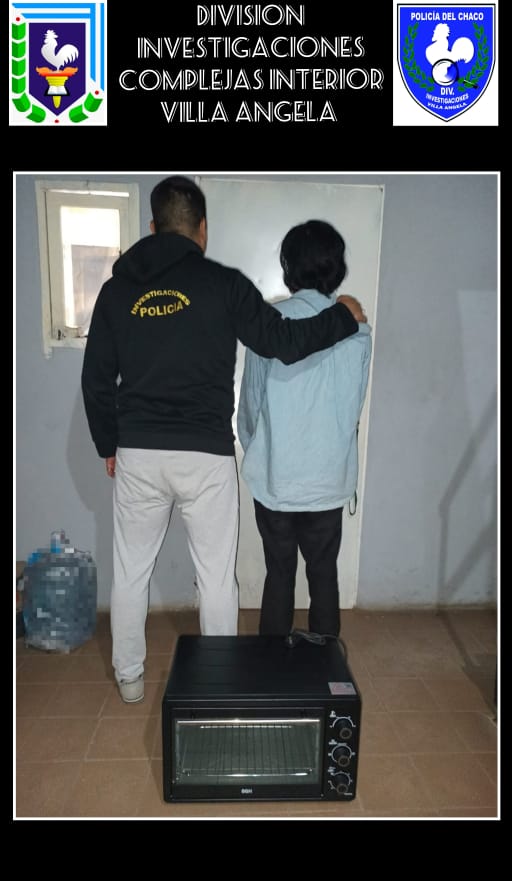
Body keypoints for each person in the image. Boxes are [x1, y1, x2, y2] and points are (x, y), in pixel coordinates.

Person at [81, 176, 367, 704]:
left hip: (139, 450)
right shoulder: (224, 284)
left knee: (130, 571)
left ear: (153, 226)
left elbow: (96, 378)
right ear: (203, 230)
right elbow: (284, 342)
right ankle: (218, 682)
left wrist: (107, 445)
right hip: (205, 455)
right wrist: (342, 318)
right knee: (215, 577)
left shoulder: (116, 291)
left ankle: (130, 677)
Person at [237, 219, 372, 638]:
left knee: (278, 573)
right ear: (337, 268)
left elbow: (250, 405)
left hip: (276, 478)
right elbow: (353, 406)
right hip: (328, 480)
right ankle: (326, 663)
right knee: (324, 574)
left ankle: (272, 664)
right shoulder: (358, 332)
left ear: (288, 268)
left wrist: (258, 450)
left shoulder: (270, 324)